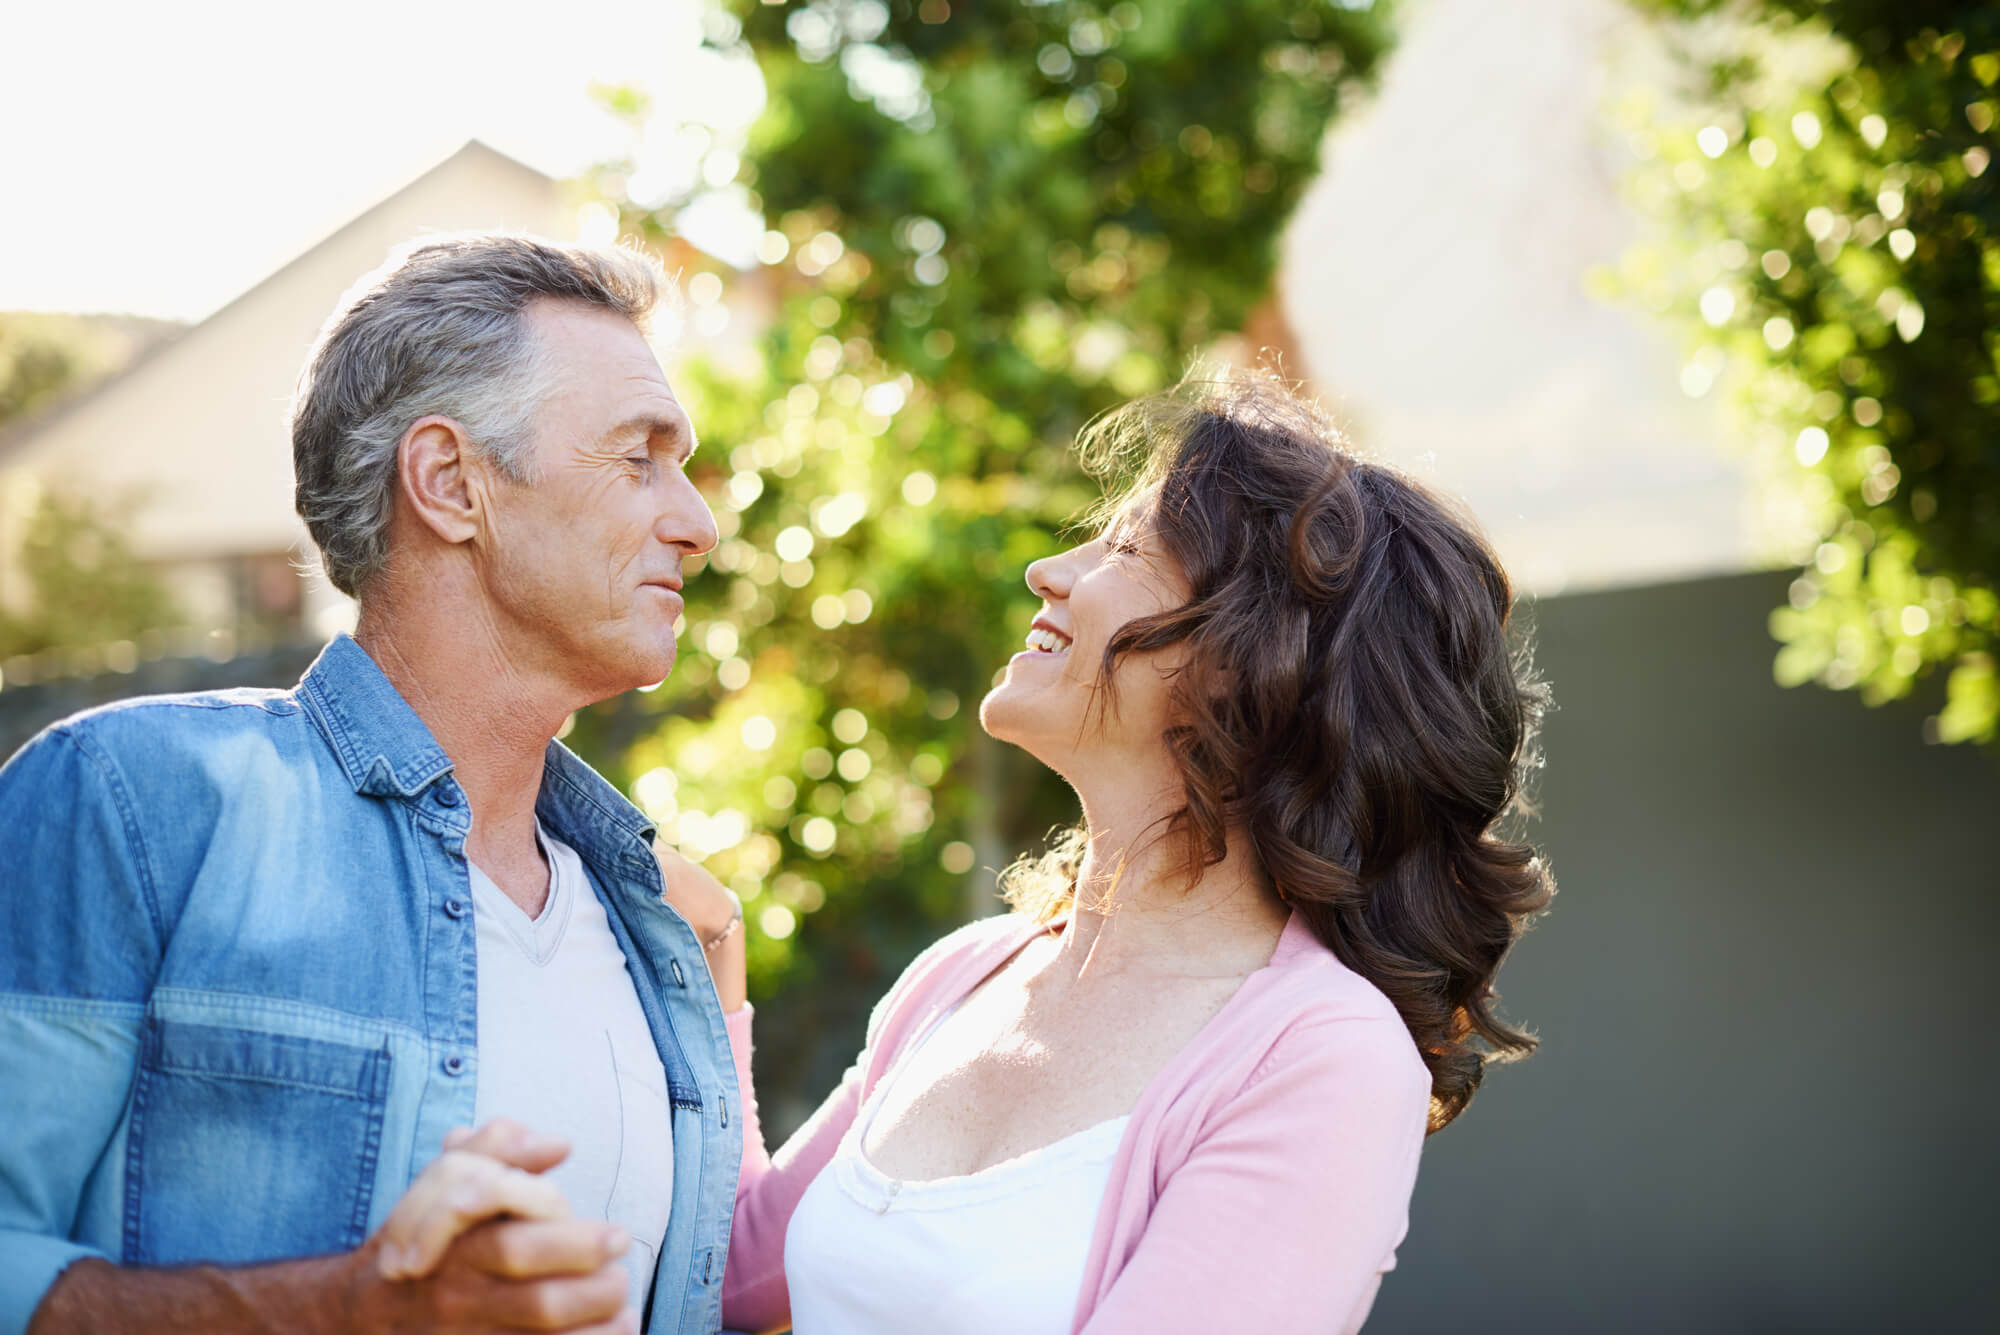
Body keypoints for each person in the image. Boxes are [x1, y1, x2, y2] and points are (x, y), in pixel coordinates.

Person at [383, 370, 1556, 1332]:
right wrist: (714, 966)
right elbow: (743, 1274)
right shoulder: (965, 977)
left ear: (1252, 662)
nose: (1051, 570)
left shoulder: (1321, 1056)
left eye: (1127, 551)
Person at [0, 234, 748, 1335]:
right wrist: (349, 1310)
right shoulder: (131, 802)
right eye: (636, 459)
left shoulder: (657, 927)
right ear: (451, 484)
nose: (697, 524)